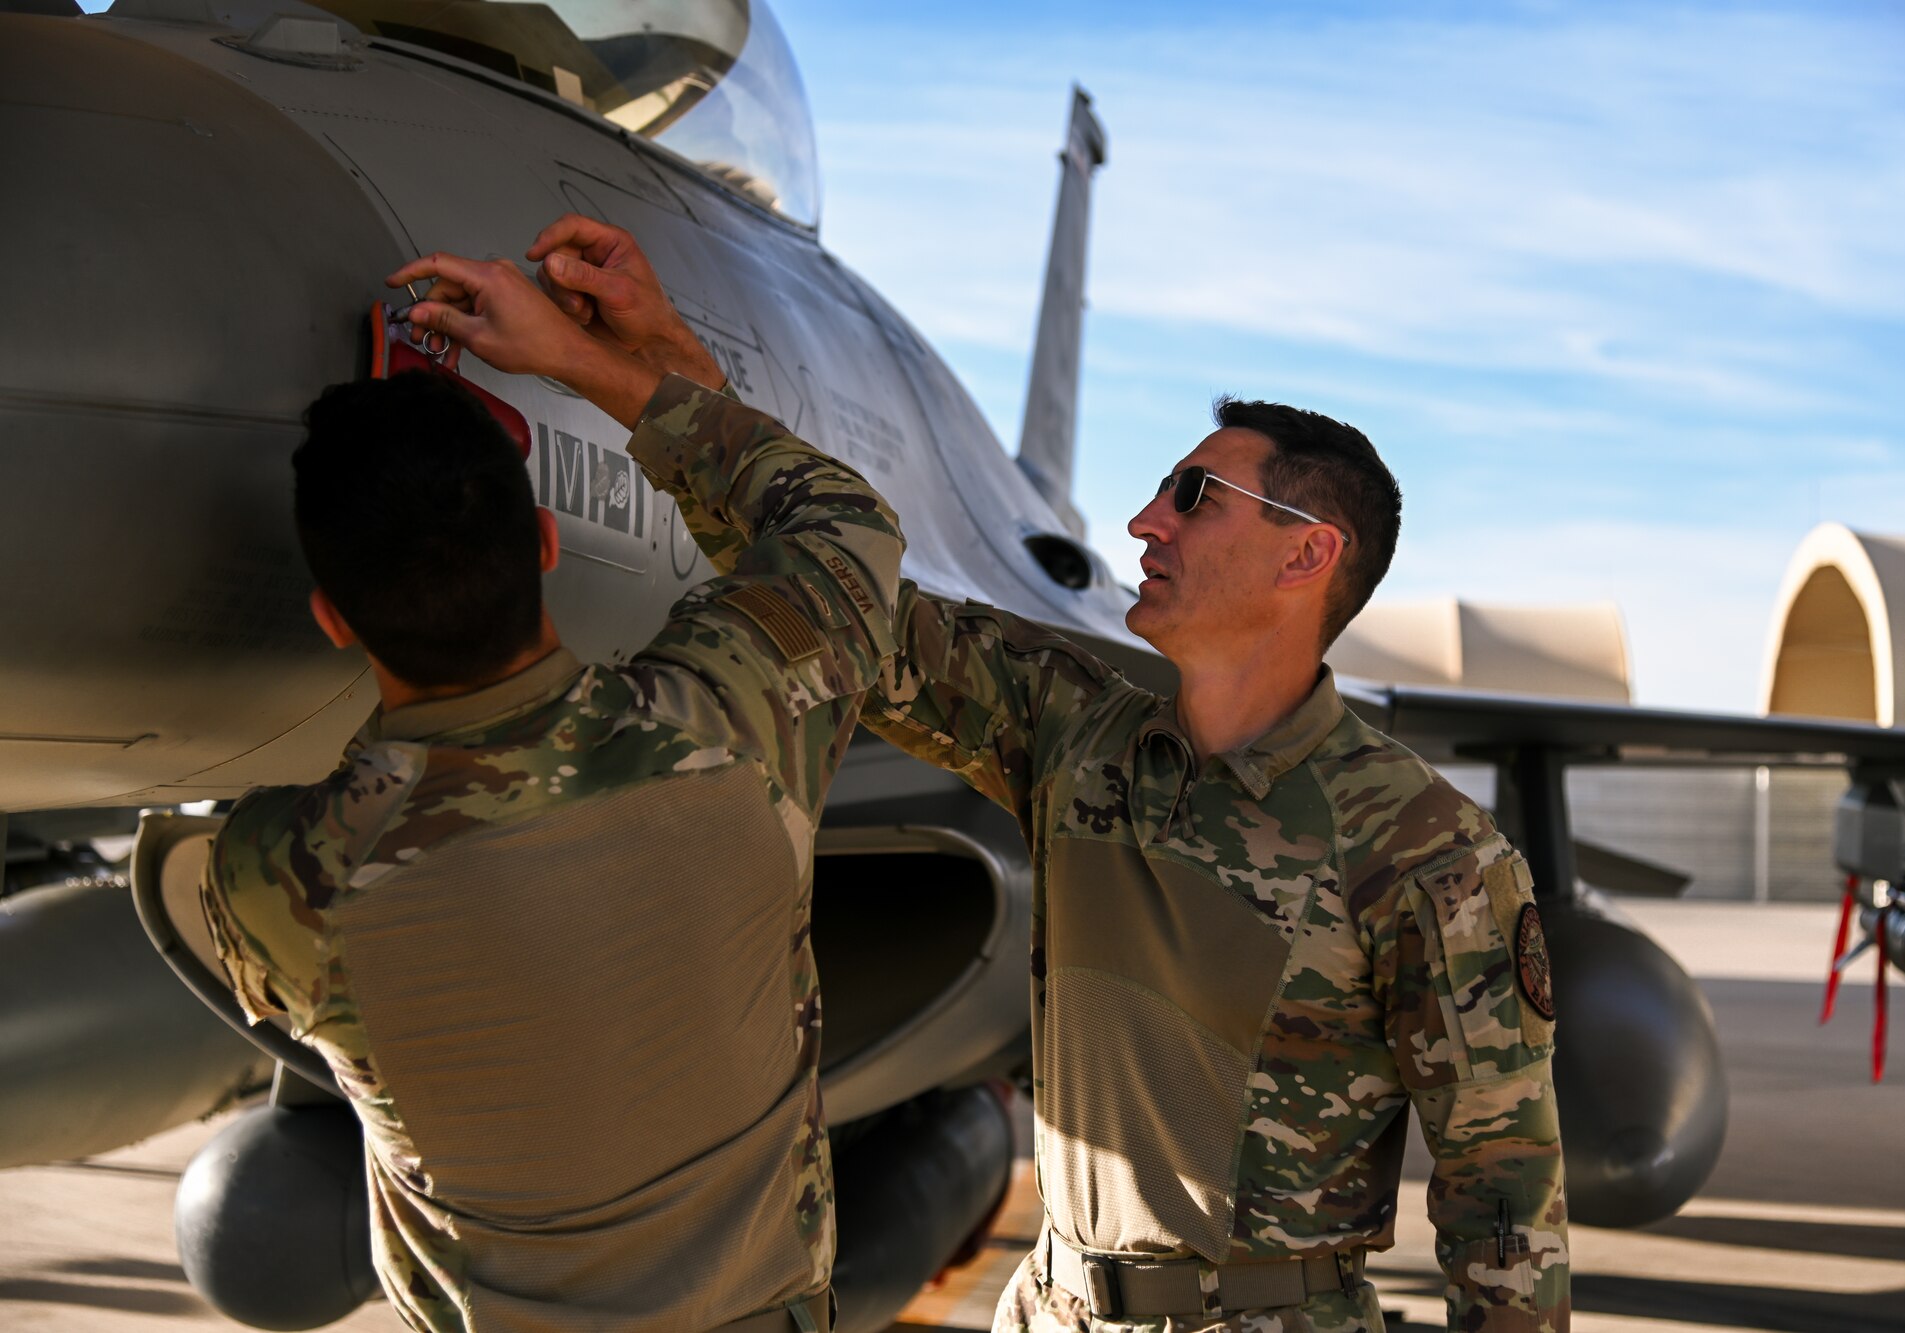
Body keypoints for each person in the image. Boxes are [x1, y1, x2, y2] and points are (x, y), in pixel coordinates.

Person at [520, 215, 1570, 1333]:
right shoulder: (1074, 736)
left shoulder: (1428, 854)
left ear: (1305, 553)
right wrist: (657, 370)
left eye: (1193, 498)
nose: (1141, 523)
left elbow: (1502, 1195)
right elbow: (833, 586)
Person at [198, 248, 904, 1332]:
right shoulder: (729, 722)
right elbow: (844, 530)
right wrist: (601, 363)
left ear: (332, 618)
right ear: (542, 543)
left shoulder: (280, 873)